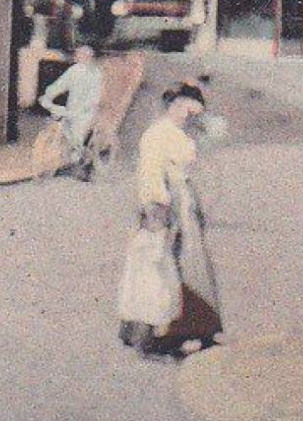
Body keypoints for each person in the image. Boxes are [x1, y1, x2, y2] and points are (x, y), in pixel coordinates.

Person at [118, 80, 224, 356]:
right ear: (171, 105)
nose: (187, 114)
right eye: (181, 107)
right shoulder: (156, 134)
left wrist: (199, 117)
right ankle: (157, 331)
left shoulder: (184, 134)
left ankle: (193, 327)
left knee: (189, 262)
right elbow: (150, 173)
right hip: (165, 203)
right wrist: (157, 205)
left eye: (190, 110)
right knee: (160, 265)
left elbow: (215, 135)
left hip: (184, 202)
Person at [38, 43, 104, 180]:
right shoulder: (74, 70)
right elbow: (60, 85)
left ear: (90, 57)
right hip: (71, 108)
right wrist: (48, 95)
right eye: (79, 54)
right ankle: (61, 158)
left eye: (85, 55)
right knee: (64, 128)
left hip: (86, 111)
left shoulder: (95, 73)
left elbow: (95, 95)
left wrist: (86, 106)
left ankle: (83, 164)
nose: (81, 57)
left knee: (78, 135)